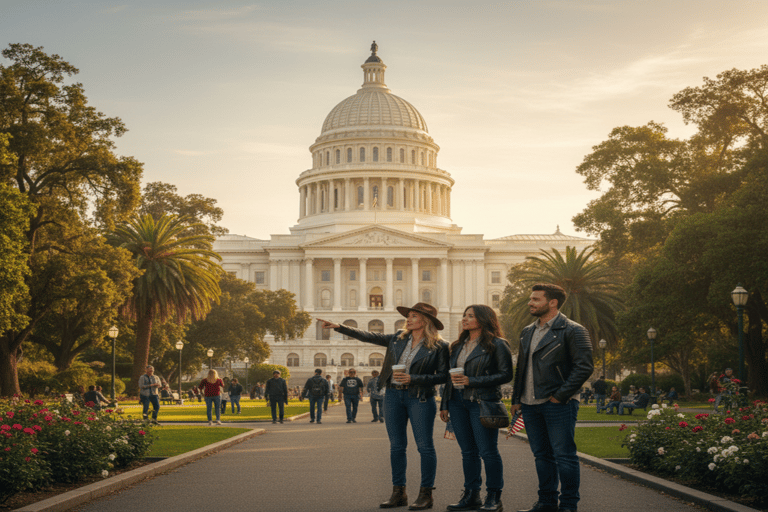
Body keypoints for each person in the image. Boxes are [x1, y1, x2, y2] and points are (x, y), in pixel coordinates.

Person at [320, 302, 449, 510]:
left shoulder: (440, 346)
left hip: (420, 398)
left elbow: (443, 376)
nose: (408, 319)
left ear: (426, 321)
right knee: (397, 447)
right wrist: (339, 327)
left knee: (425, 447)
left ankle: (426, 494)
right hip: (393, 396)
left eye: (414, 316)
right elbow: (368, 336)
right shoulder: (398, 338)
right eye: (409, 315)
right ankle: (399, 493)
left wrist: (413, 378)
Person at [510, 284, 593, 512]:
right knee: (541, 456)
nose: (530, 303)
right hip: (529, 403)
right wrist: (516, 398)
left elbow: (584, 367)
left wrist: (560, 396)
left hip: (558, 404)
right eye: (531, 299)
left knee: (564, 456)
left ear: (553, 302)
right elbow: (521, 368)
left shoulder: (573, 330)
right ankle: (546, 502)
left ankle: (568, 505)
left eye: (536, 299)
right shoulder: (528, 331)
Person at [440, 305, 513, 512]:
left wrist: (472, 381)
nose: (465, 319)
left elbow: (506, 374)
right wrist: (445, 404)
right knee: (468, 452)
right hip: (457, 402)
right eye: (464, 315)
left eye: (470, 316)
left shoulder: (497, 344)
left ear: (483, 319)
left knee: (488, 452)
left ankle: (494, 496)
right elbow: (449, 377)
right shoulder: (457, 345)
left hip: (481, 403)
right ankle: (471, 495)